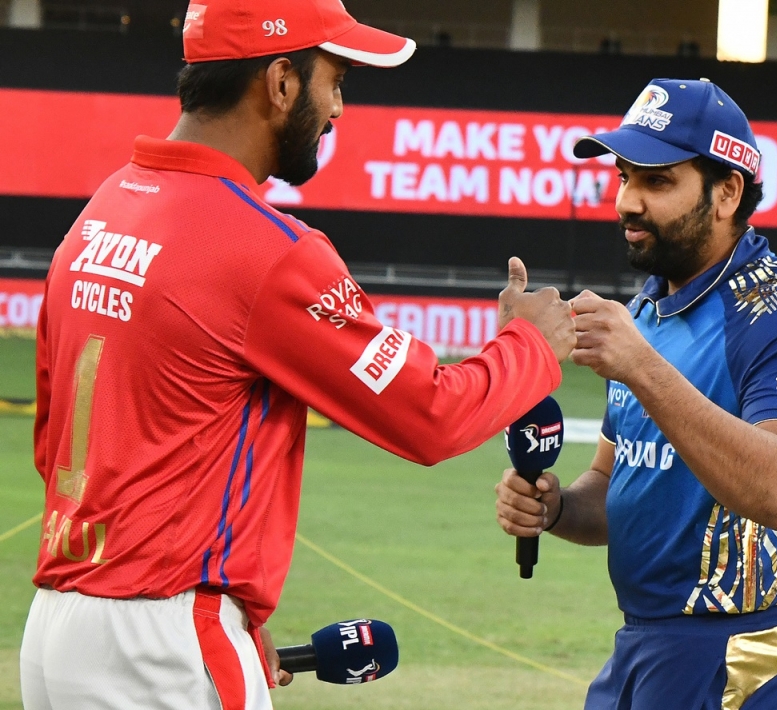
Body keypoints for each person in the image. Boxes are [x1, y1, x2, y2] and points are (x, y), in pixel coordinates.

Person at [21, 1, 576, 708]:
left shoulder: (104, 209)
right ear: (282, 82)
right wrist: (532, 343)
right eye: (335, 80)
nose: (338, 107)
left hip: (57, 629)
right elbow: (431, 414)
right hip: (161, 640)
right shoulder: (265, 247)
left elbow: (54, 444)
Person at [495, 78, 777, 710]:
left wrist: (641, 367)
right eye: (624, 177)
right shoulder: (649, 307)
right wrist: (556, 509)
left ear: (727, 192)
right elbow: (615, 483)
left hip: (743, 647)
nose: (627, 201)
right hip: (652, 640)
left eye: (657, 181)